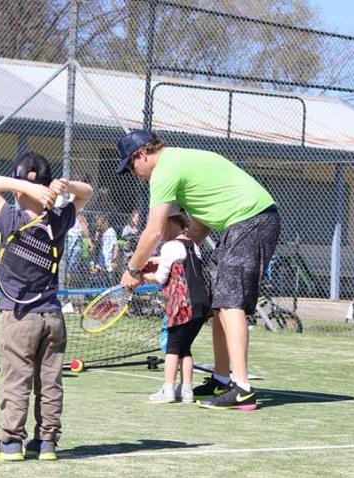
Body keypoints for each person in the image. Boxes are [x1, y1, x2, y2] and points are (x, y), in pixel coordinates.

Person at [115, 129, 279, 410]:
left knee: (230, 302)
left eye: (131, 165)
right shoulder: (180, 163)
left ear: (142, 154)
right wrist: (172, 255)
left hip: (250, 220)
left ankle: (242, 388)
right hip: (243, 222)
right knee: (219, 302)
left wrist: (132, 269)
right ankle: (222, 379)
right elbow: (199, 227)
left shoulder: (164, 171)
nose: (133, 172)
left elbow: (154, 231)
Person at [0, 152, 93, 461]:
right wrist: (62, 187)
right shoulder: (58, 220)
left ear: (18, 190)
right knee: (50, 382)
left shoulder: (11, 219)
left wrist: (30, 187)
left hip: (19, 317)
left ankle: (11, 442)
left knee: (17, 380)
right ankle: (46, 443)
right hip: (53, 317)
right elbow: (88, 192)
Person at [141, 206, 210, 404]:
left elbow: (161, 277)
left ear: (170, 223)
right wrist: (157, 260)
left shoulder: (170, 246)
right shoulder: (193, 245)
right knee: (185, 348)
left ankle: (168, 389)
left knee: (172, 348)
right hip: (200, 305)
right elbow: (180, 263)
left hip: (182, 305)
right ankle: (186, 390)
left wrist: (141, 275)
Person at [65, 213, 93, 288]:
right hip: (73, 239)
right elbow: (84, 226)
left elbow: (84, 225)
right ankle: (66, 288)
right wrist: (89, 240)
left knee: (67, 267)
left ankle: (65, 288)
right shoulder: (79, 210)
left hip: (69, 238)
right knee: (69, 268)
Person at [95, 214, 119, 287]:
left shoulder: (111, 231)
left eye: (101, 225)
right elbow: (97, 244)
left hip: (109, 259)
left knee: (111, 280)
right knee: (102, 279)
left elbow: (116, 246)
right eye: (99, 226)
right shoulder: (101, 233)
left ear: (106, 222)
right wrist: (97, 235)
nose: (101, 227)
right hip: (101, 259)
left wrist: (114, 258)